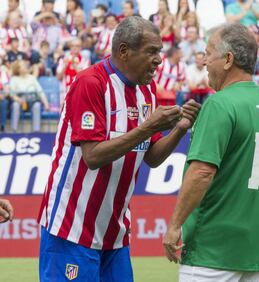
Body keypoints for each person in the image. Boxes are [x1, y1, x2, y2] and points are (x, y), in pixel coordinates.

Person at [37, 16, 200, 282]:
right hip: (72, 227)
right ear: (124, 51)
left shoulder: (146, 91)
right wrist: (147, 128)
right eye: (151, 51)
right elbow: (92, 156)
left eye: (159, 52)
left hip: (114, 232)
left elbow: (152, 156)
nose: (159, 60)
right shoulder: (91, 83)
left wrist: (180, 128)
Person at [163, 22, 259, 282]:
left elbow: (201, 172)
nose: (205, 61)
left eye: (209, 53)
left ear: (228, 59)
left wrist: (175, 225)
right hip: (254, 251)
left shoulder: (219, 104)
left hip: (212, 249)